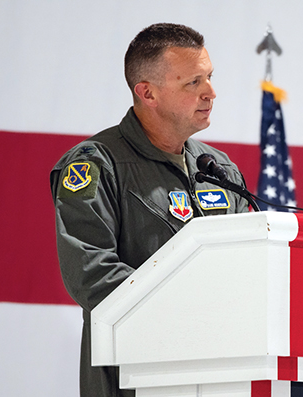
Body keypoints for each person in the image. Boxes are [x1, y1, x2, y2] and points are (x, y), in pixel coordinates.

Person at [50, 23, 250, 397]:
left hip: (222, 374)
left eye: (208, 77)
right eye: (193, 83)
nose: (210, 92)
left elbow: (250, 265)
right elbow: (91, 273)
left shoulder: (219, 169)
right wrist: (190, 312)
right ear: (148, 93)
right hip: (134, 377)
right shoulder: (97, 165)